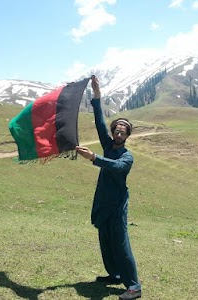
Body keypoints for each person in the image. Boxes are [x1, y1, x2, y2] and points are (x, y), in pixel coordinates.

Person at [76, 75, 141, 300]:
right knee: (105, 239)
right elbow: (99, 122)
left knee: (121, 244)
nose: (119, 132)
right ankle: (114, 274)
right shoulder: (108, 144)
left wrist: (94, 157)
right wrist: (97, 95)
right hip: (103, 200)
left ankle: (134, 286)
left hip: (117, 204)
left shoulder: (127, 156)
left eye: (123, 131)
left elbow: (116, 167)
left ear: (127, 135)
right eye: (117, 129)